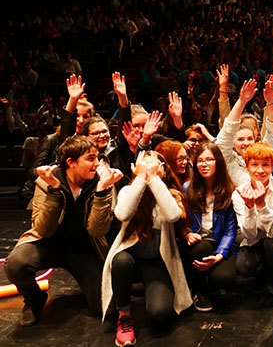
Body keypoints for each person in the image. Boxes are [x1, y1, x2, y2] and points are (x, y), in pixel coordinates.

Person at [4, 136, 122, 326]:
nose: (97, 164)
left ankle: (88, 283)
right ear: (71, 162)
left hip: (85, 249)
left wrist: (101, 192)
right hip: (48, 244)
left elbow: (97, 230)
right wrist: (54, 191)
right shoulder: (46, 181)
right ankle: (34, 299)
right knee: (16, 264)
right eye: (90, 158)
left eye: (97, 158)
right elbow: (44, 229)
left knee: (105, 308)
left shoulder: (101, 182)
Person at [101, 151, 191, 346]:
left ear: (164, 171)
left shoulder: (170, 193)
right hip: (130, 256)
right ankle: (124, 315)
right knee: (120, 261)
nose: (149, 170)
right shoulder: (128, 191)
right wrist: (141, 179)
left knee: (160, 314)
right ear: (135, 169)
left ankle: (146, 289)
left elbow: (173, 215)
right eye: (144, 166)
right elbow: (123, 214)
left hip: (157, 260)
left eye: (154, 166)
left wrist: (154, 180)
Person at [183, 143, 238, 312]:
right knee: (201, 247)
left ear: (218, 162)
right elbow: (182, 221)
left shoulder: (230, 190)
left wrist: (220, 255)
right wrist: (187, 234)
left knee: (224, 277)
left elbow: (230, 230)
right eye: (200, 161)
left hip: (220, 244)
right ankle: (199, 291)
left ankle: (209, 280)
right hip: (197, 244)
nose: (204, 164)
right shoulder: (188, 188)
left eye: (209, 160)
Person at [232, 142, 273, 306]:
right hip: (254, 241)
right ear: (247, 167)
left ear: (272, 166)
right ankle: (263, 277)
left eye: (265, 165)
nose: (260, 170)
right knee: (244, 265)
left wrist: (261, 206)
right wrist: (249, 207)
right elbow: (249, 234)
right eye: (254, 165)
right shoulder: (239, 193)